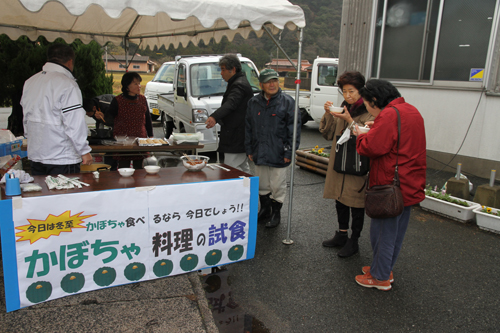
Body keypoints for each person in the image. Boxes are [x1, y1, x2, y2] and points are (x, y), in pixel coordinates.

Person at [354, 79, 426, 291]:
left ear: (374, 101)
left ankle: (379, 277)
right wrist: (377, 126)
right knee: (396, 231)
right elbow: (399, 139)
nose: (367, 108)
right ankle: (384, 268)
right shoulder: (410, 110)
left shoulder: (388, 115)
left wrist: (360, 136)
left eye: (367, 103)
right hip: (408, 182)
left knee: (383, 231)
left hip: (389, 185)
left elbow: (371, 147)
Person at [319, 71, 375, 258]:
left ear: (361, 91)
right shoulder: (342, 109)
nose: (348, 95)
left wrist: (349, 120)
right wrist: (328, 114)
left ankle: (355, 240)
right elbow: (326, 134)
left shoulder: (369, 112)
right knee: (340, 199)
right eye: (344, 91)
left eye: (352, 91)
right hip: (339, 163)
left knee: (356, 204)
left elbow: (366, 137)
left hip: (357, 164)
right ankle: (342, 234)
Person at [21, 43, 92, 175]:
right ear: (70, 62)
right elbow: (74, 122)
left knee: (42, 194)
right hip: (62, 157)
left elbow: (26, 116)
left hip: (36, 153)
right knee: (65, 195)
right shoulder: (67, 84)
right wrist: (84, 151)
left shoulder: (30, 81)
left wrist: (30, 137)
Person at [245, 69, 300, 228]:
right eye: (268, 81)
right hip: (259, 150)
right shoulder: (253, 102)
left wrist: (289, 151)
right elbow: (248, 127)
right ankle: (265, 210)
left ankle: (276, 214)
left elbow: (294, 130)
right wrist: (249, 149)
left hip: (279, 151)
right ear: (261, 85)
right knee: (262, 183)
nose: (272, 84)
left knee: (277, 184)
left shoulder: (287, 102)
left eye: (274, 80)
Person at [205, 54, 254, 173]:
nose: (221, 73)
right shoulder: (238, 81)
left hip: (236, 135)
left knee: (231, 168)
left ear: (233, 70)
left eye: (223, 69)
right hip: (240, 134)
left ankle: (241, 190)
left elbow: (231, 103)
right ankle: (248, 190)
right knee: (243, 168)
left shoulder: (239, 84)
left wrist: (214, 116)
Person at [108, 72, 153, 169]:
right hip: (123, 142)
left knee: (139, 170)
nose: (139, 86)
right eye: (135, 83)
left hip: (140, 140)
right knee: (124, 169)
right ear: (127, 86)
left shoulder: (142, 99)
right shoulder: (117, 100)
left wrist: (151, 135)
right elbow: (109, 119)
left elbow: (148, 119)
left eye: (139, 83)